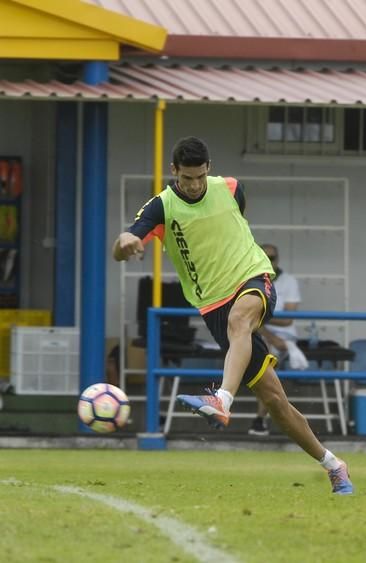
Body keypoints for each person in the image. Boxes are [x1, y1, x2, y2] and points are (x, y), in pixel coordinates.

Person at [112, 136, 353, 495]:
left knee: (240, 320)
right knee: (275, 401)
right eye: (186, 178)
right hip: (212, 305)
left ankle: (221, 400)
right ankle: (333, 464)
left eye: (199, 177)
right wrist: (126, 243)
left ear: (208, 169)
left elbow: (235, 226)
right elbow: (123, 245)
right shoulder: (160, 207)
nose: (193, 185)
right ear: (174, 171)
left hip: (253, 278)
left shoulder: (231, 188)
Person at [249, 243, 308, 436]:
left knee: (267, 364)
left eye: (272, 257)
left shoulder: (289, 281)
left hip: (282, 335)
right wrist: (268, 331)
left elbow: (288, 318)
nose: (269, 261)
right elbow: (249, 317)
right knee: (265, 362)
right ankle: (261, 418)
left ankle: (261, 418)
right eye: (265, 256)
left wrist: (261, 317)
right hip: (258, 333)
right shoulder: (251, 278)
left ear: (278, 259)